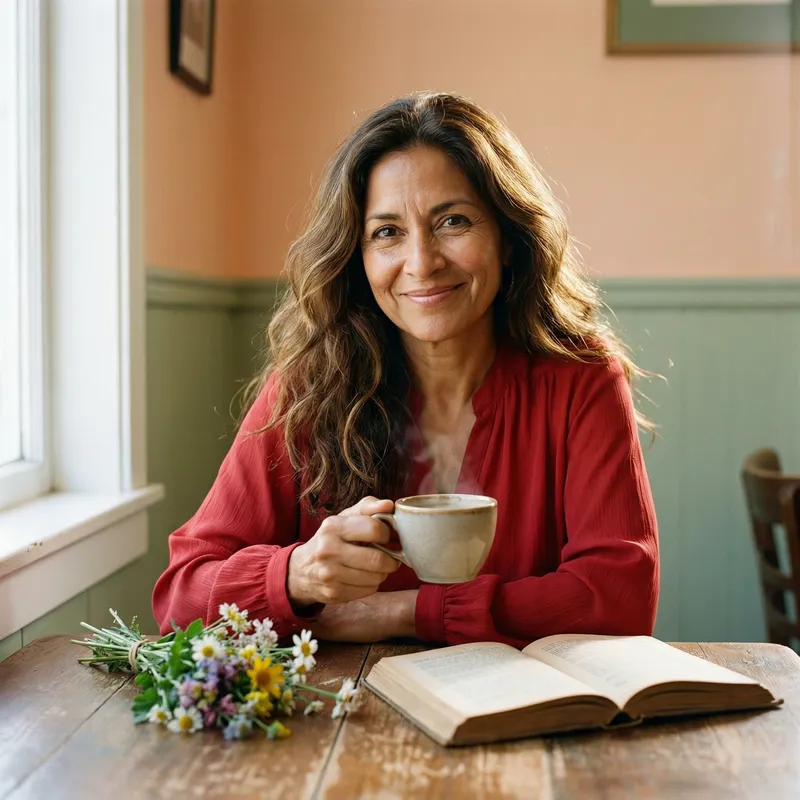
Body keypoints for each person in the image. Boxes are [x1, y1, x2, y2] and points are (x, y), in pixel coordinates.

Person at [152, 91, 659, 648]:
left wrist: (403, 612)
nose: (421, 263)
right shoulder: (304, 387)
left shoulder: (581, 380)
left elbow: (620, 598)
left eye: (454, 222)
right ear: (357, 256)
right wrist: (296, 577)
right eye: (387, 232)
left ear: (508, 239)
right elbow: (181, 597)